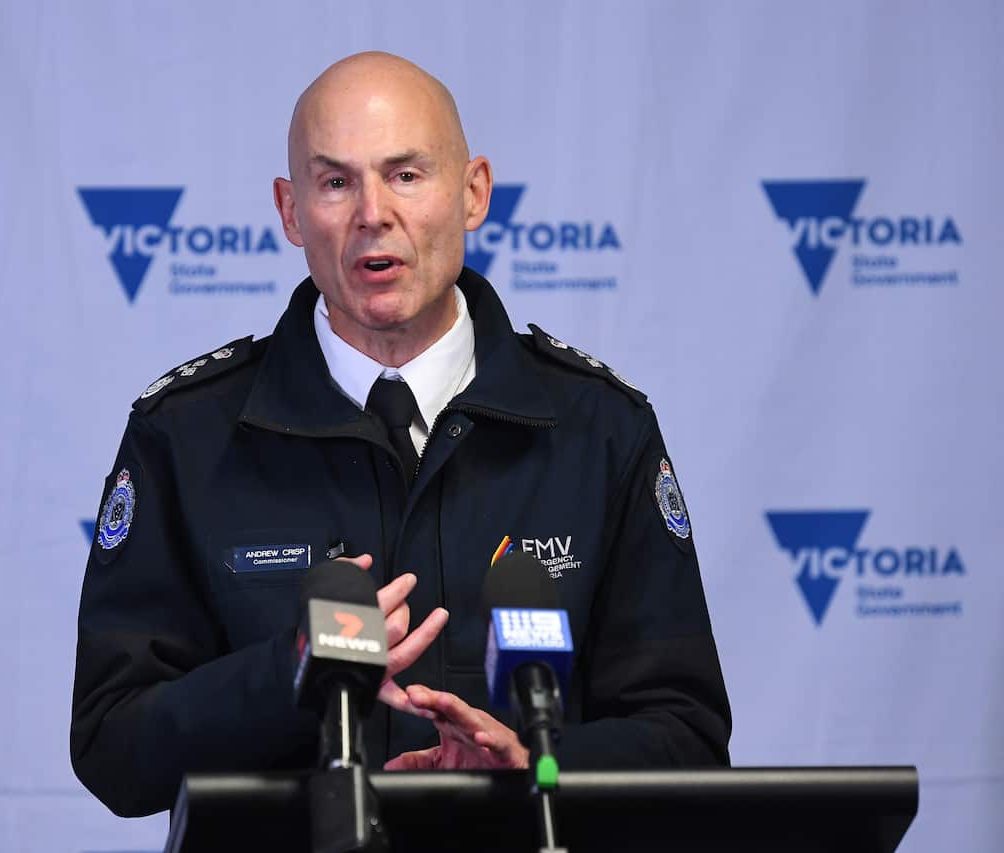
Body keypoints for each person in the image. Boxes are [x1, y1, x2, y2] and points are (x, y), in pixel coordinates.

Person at [70, 51, 730, 818]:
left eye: (406, 175)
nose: (372, 213)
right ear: (290, 211)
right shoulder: (185, 436)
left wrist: (539, 764)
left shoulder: (599, 429)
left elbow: (687, 736)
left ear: (473, 192)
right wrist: (288, 672)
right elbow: (113, 749)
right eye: (336, 181)